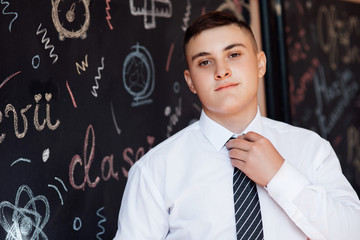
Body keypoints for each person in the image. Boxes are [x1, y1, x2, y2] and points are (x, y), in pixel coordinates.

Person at [114, 11, 360, 239]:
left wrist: (279, 176)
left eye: (233, 55)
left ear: (260, 64)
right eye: (205, 62)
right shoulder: (154, 172)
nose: (221, 71)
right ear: (190, 81)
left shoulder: (312, 149)